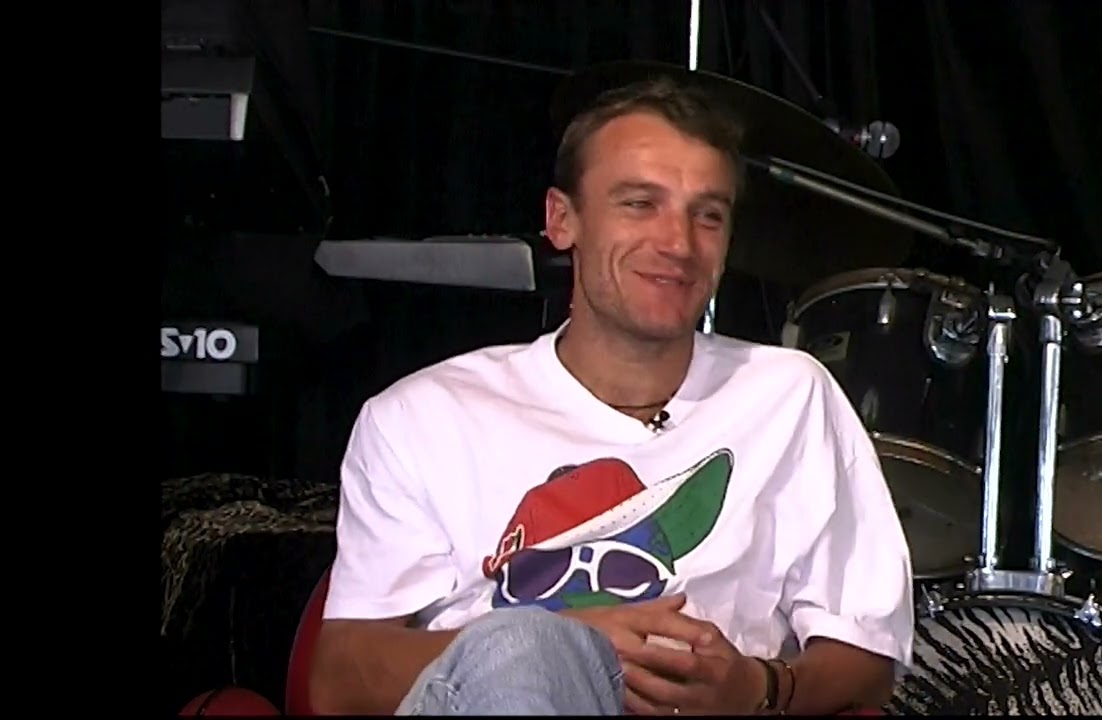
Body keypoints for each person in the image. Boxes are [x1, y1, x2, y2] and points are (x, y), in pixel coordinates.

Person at [309, 75, 916, 716]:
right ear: (561, 219)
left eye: (708, 215)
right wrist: (566, 646)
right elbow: (339, 679)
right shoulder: (423, 416)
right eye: (640, 204)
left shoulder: (789, 395)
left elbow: (868, 658)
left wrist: (757, 688)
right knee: (527, 648)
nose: (678, 244)